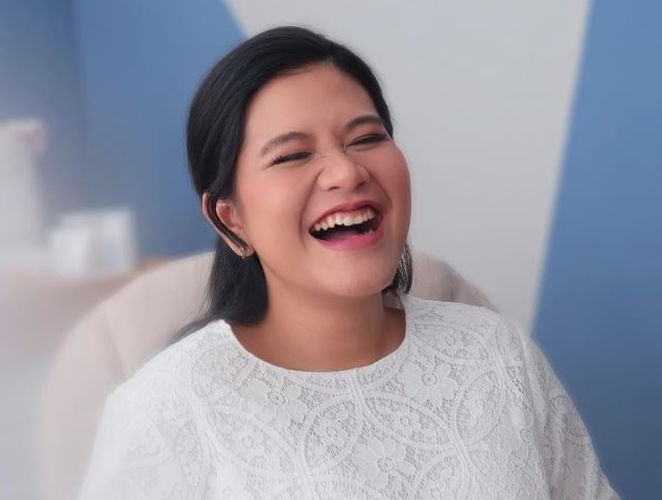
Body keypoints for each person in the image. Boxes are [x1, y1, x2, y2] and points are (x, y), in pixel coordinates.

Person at [77, 27, 618, 499]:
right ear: (230, 219)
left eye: (366, 138)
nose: (346, 172)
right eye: (292, 155)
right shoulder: (167, 408)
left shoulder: (497, 355)